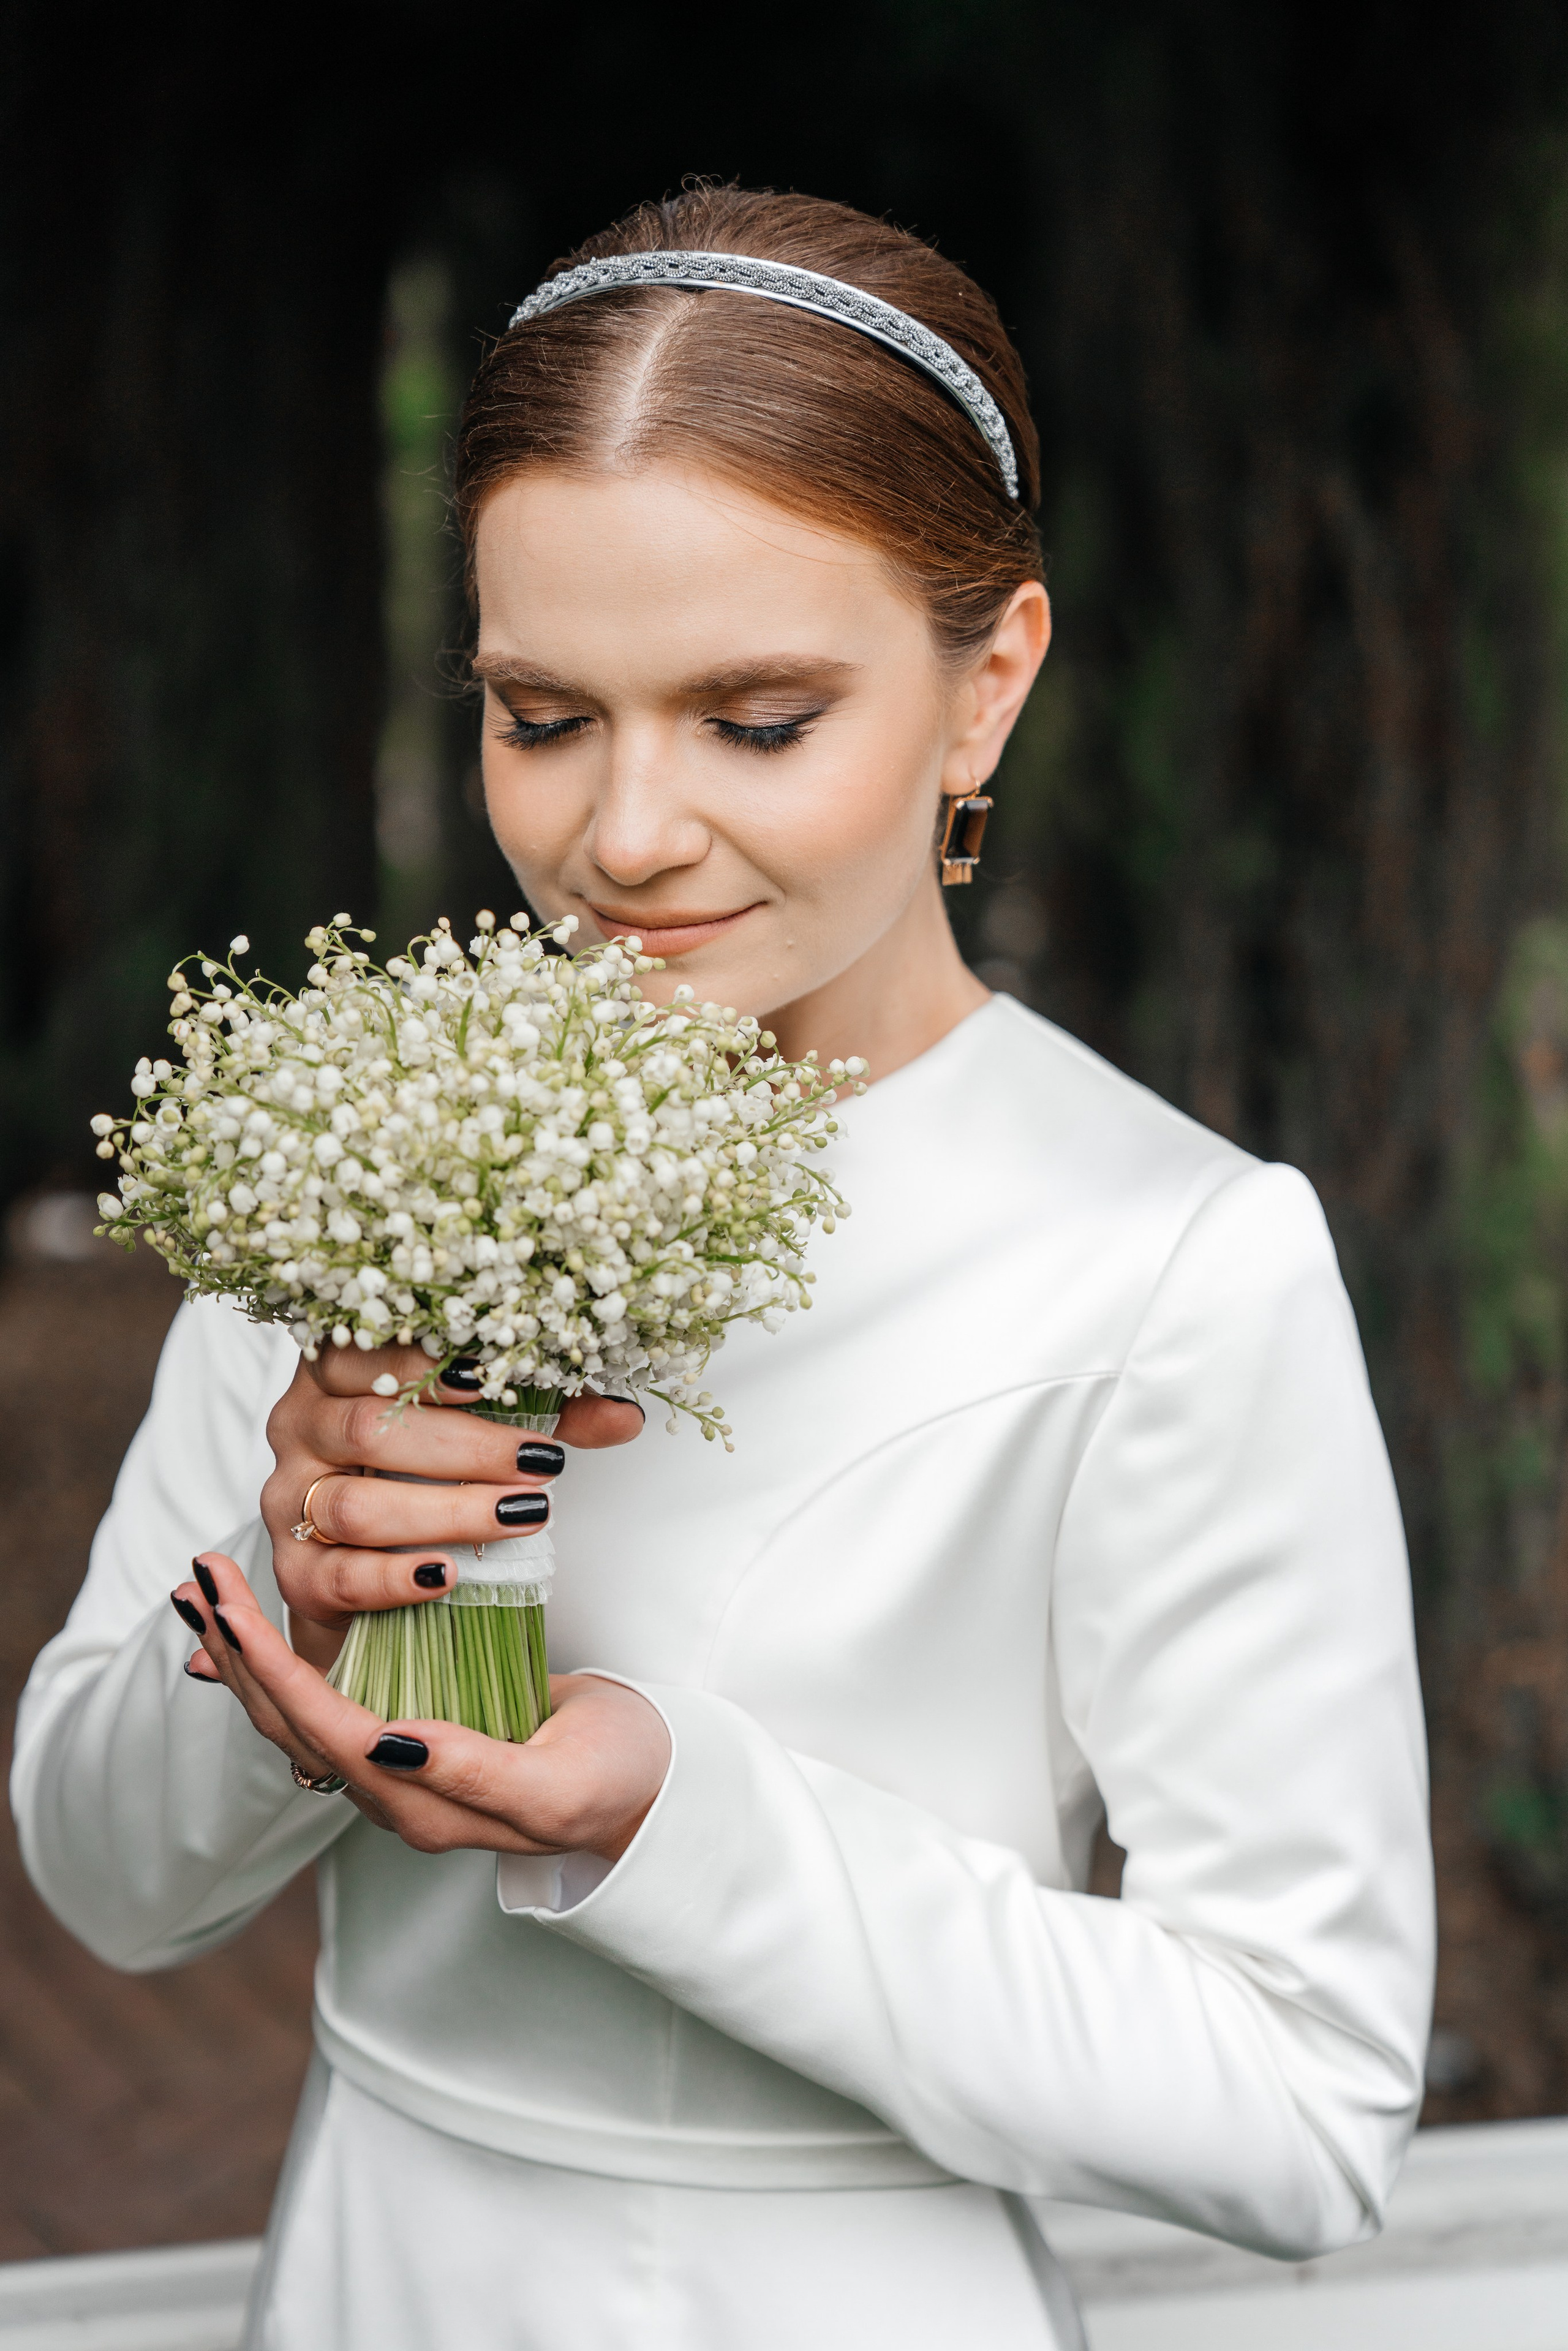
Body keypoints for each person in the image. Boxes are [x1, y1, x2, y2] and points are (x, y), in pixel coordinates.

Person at [12, 186, 1434, 2351]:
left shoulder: (1178, 1260)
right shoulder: (386, 1140)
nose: (626, 836)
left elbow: (1302, 2104)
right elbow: (107, 1885)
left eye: (757, 720)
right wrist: (283, 1587)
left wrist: (685, 1822)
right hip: (371, 2272)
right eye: (542, 714)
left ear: (990, 688)